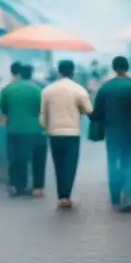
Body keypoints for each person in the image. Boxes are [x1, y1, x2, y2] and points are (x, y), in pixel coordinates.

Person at [92, 56, 131, 213]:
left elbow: (96, 113)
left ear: (113, 68)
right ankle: (128, 195)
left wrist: (89, 115)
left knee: (113, 162)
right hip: (130, 130)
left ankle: (115, 198)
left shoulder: (105, 88)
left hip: (112, 131)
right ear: (127, 67)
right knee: (130, 162)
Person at [41, 60, 92, 208]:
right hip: (72, 133)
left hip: (54, 133)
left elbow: (43, 115)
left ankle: (61, 195)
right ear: (73, 71)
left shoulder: (48, 90)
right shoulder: (79, 90)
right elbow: (88, 110)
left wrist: (46, 127)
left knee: (58, 164)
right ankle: (66, 196)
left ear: (59, 71)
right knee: (70, 164)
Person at [0, 64, 47, 198]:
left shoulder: (8, 89)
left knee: (17, 159)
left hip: (14, 130)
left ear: (19, 74)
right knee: (38, 159)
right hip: (36, 130)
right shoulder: (38, 90)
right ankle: (38, 187)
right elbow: (42, 109)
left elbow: (3, 109)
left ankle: (17, 186)